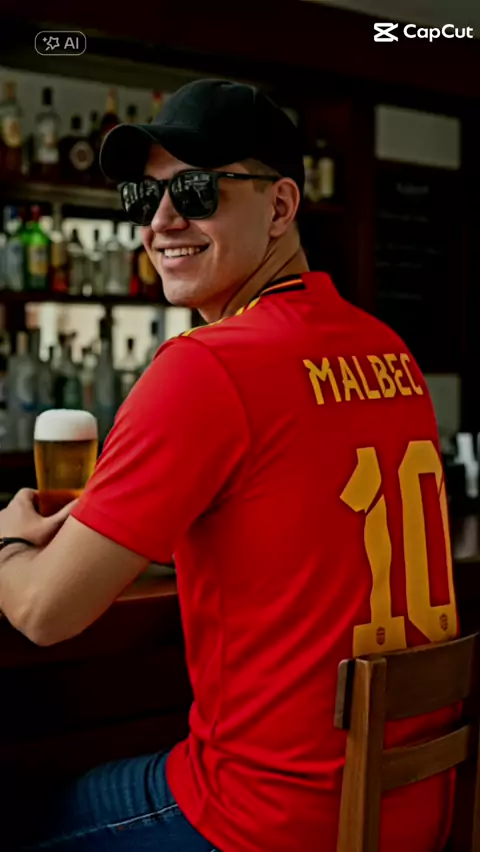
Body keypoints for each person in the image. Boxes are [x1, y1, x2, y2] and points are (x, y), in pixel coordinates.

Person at [0, 79, 458, 852]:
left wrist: (9, 540)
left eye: (195, 191)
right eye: (145, 196)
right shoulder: (388, 349)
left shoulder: (205, 368)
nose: (161, 221)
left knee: (26, 817)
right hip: (413, 808)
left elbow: (46, 612)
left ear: (280, 207)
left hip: (270, 820)